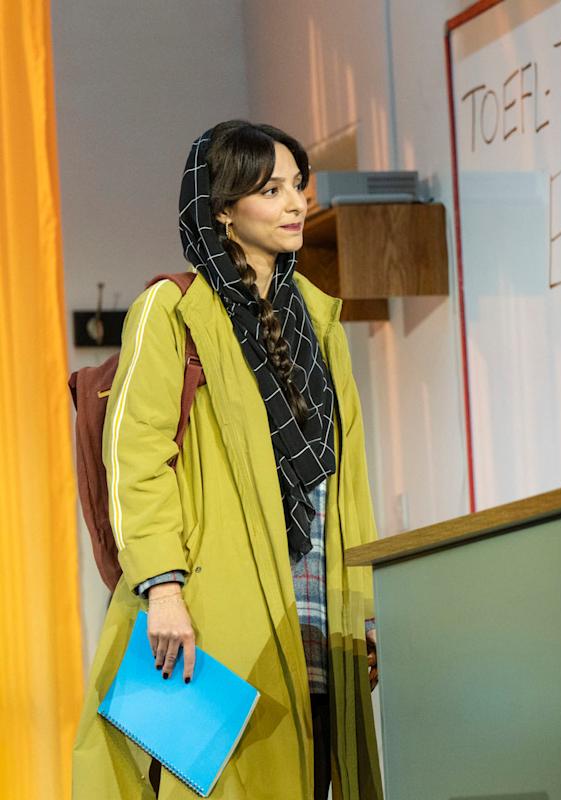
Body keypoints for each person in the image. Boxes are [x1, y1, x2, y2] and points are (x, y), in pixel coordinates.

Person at [72, 121, 383, 799]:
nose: (296, 202)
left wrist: (364, 613)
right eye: (270, 189)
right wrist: (163, 588)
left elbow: (346, 484)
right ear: (223, 209)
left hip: (314, 611)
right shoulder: (175, 310)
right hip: (215, 612)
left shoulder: (320, 323)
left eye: (297, 184)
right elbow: (136, 458)